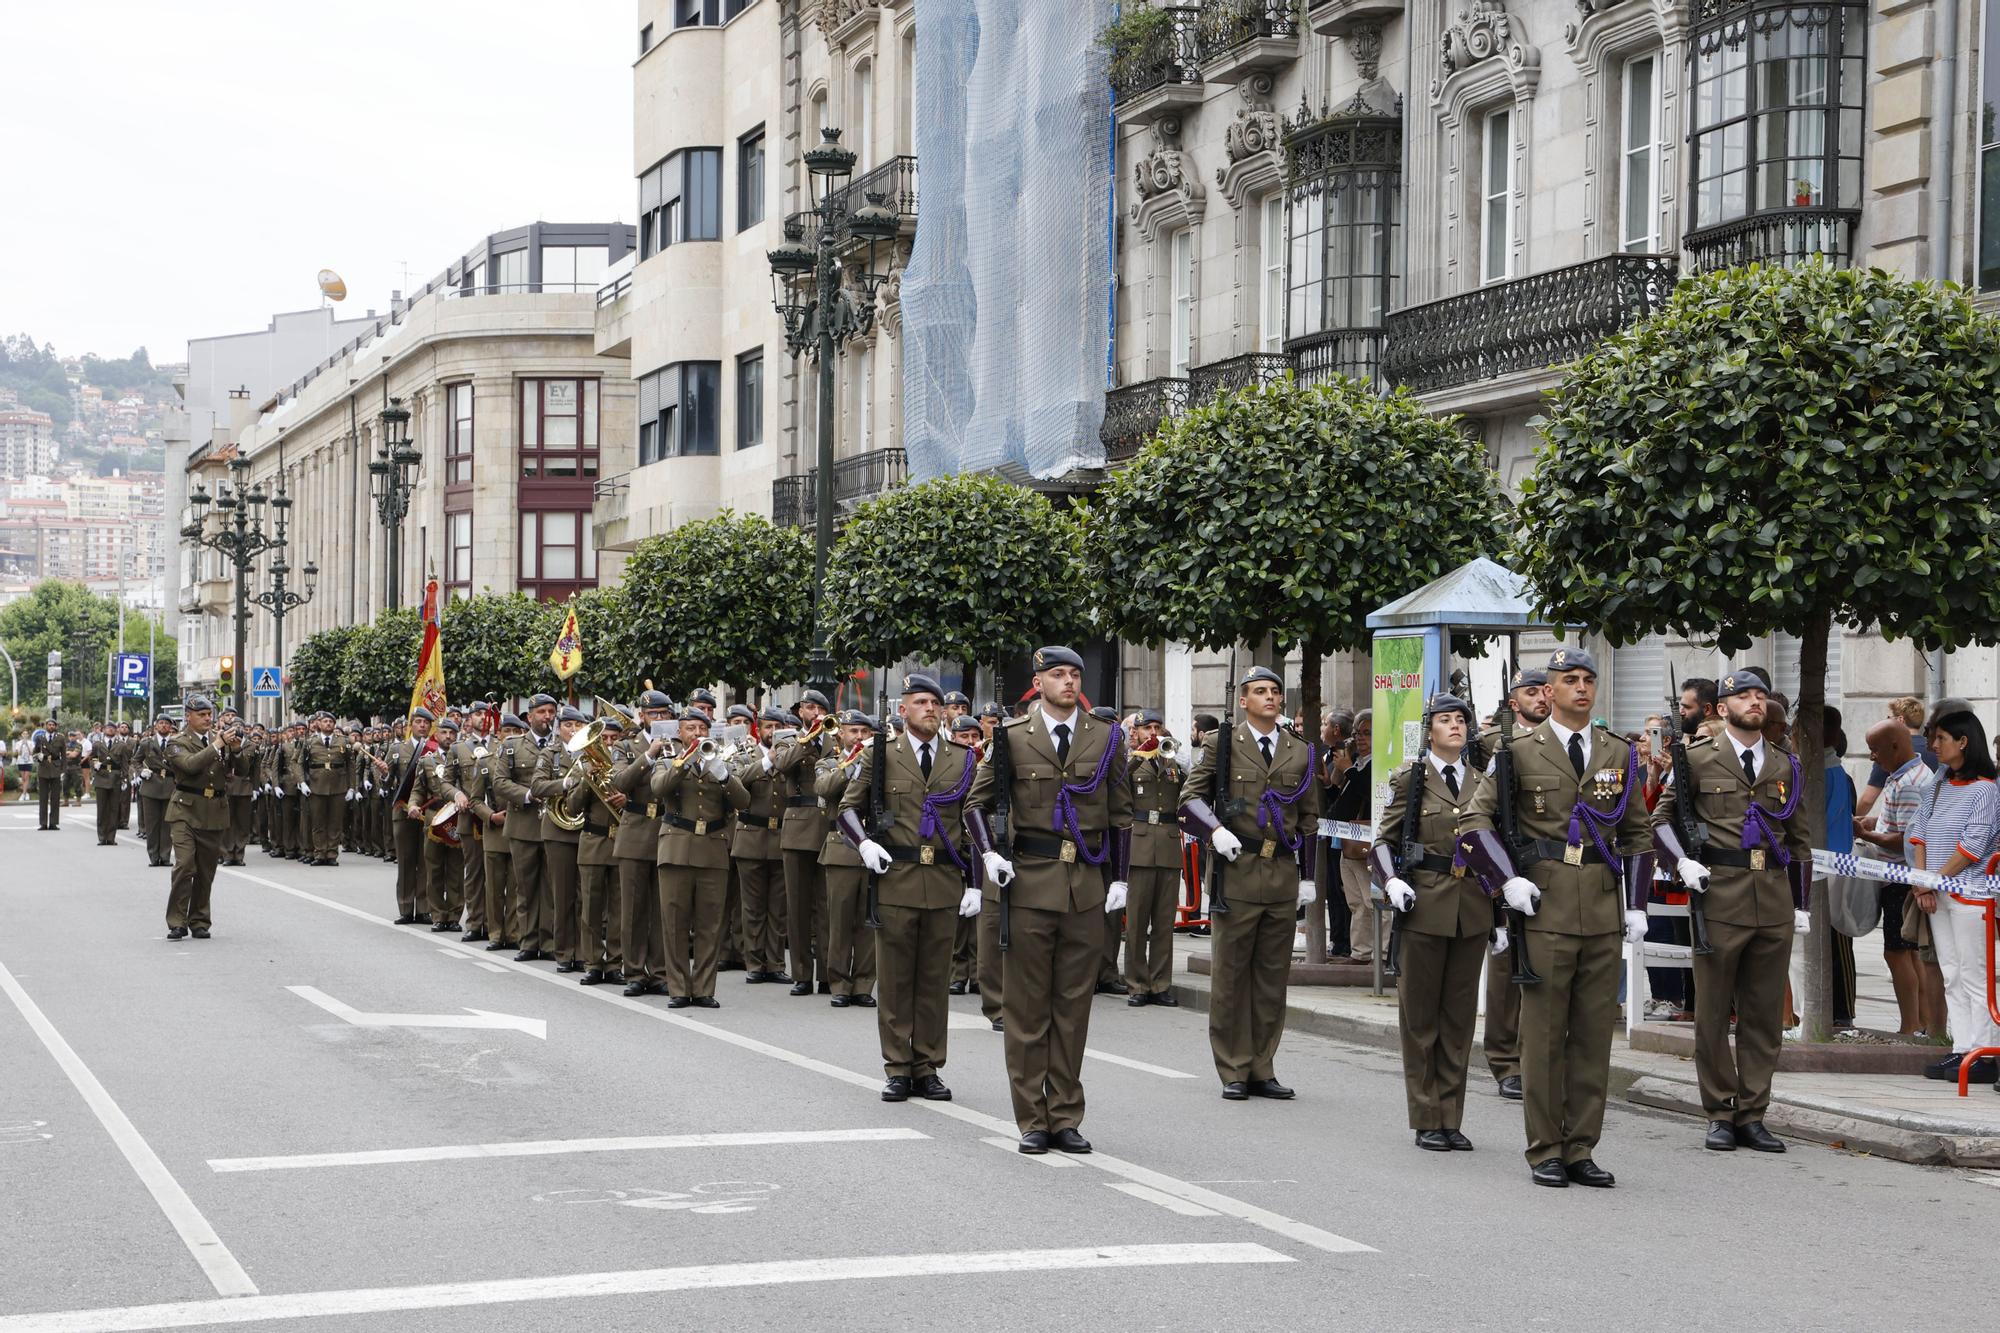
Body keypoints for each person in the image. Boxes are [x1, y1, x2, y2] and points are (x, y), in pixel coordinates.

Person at [1459, 647, 1653, 1188]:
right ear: (1549, 692)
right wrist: (1506, 881)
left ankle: (1580, 1146)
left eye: (1589, 679)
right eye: (1570, 680)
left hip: (1600, 903)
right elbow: (1475, 820)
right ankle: (1545, 1147)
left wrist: (1635, 904)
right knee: (1543, 1035)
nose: (1582, 688)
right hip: (1542, 904)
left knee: (1594, 1035)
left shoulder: (1617, 752)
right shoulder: (1517, 750)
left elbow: (1636, 832)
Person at [967, 646, 1133, 1154]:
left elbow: (1121, 814)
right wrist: (991, 856)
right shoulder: (1012, 737)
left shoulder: (1106, 737)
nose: (1067, 681)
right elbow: (978, 803)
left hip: (1083, 887)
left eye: (1074, 674)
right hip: (1030, 884)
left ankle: (1065, 1114)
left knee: (1073, 1008)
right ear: (1037, 683)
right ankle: (1031, 1118)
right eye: (1057, 674)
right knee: (1027, 1009)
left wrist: (1119, 880)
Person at [1652, 669, 1811, 1153]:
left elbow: (1800, 840)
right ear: (1722, 708)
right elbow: (1661, 820)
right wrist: (1682, 863)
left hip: (1773, 898)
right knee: (1714, 1013)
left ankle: (1753, 1112)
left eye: (1761, 695)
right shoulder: (1697, 758)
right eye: (1744, 695)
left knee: (1763, 1016)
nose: (1755, 701)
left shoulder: (1786, 764)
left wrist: (1801, 902)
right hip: (1719, 895)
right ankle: (1719, 1110)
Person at [842, 673, 981, 1102]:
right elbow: (848, 808)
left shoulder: (962, 759)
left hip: (942, 881)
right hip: (897, 881)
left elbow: (973, 823)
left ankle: (928, 1066)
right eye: (920, 703)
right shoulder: (881, 754)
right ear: (903, 710)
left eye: (934, 704)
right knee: (897, 979)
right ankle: (898, 1066)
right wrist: (864, 844)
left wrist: (974, 882)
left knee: (934, 980)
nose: (930, 709)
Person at [1181, 666, 1318, 1099]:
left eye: (1275, 691)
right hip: (1235, 870)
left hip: (1280, 873)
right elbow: (1190, 797)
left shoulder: (1300, 750)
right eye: (1260, 691)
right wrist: (1214, 831)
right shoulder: (1224, 743)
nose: (1270, 698)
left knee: (1271, 978)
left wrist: (1309, 877)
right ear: (1243, 701)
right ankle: (1234, 1068)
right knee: (1231, 977)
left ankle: (1263, 1065)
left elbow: (1310, 819)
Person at [1372, 694, 1497, 1152]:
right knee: (1421, 1018)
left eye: (1461, 720)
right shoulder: (1411, 779)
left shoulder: (1484, 782)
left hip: (1472, 909)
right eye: (1445, 720)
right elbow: (1382, 841)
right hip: (1423, 905)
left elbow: (1494, 850)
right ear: (1430, 731)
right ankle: (1427, 1116)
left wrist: (1498, 914)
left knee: (1458, 1020)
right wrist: (1391, 882)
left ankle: (1451, 1115)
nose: (1455, 727)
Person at [1911, 710, 2000, 1085]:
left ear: (1963, 742)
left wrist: (1931, 881)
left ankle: (1986, 1051)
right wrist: (1921, 881)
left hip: (1971, 895)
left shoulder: (1986, 790)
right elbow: (1919, 831)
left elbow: (1972, 847)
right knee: (1951, 973)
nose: (1934, 745)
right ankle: (1963, 1047)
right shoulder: (1938, 783)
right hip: (1938, 893)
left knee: (1976, 974)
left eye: (1941, 738)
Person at [1475, 665, 1550, 1100]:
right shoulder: (1487, 745)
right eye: (1531, 691)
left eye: (1544, 690)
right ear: (1513, 701)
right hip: (1502, 864)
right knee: (1505, 964)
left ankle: (1538, 1054)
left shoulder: (1557, 742)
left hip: (1545, 863)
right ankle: (1506, 1061)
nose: (1540, 697)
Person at [652, 705, 751, 1007]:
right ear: (679, 733)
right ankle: (679, 988)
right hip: (677, 847)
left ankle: (705, 988)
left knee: (710, 924)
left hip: (713, 848)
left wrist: (723, 775)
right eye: (690, 729)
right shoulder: (667, 759)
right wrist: (682, 762)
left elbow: (743, 801)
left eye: (702, 729)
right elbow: (659, 788)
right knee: (675, 922)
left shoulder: (721, 760)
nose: (697, 734)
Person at [1853, 718, 1940, 1036]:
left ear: (1895, 746)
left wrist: (1866, 833)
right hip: (1899, 876)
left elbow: (1904, 838)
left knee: (1896, 952)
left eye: (1875, 750)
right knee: (1910, 952)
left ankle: (1910, 1024)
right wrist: (1873, 821)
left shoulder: (1910, 782)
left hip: (1901, 878)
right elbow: (1896, 821)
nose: (1872, 757)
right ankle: (1922, 1021)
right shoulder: (1902, 776)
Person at [816, 710, 880, 1008]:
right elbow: (825, 788)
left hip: (874, 846)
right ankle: (839, 982)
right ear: (840, 733)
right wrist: (853, 760)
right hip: (841, 847)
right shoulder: (828, 762)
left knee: (868, 922)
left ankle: (864, 984)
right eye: (853, 731)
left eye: (864, 733)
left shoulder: (880, 762)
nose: (859, 737)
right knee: (839, 920)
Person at [772, 690, 834, 997]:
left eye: (818, 708)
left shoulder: (836, 737)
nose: (814, 713)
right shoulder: (788, 739)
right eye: (808, 708)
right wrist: (807, 739)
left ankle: (826, 973)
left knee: (826, 907)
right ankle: (800, 973)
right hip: (797, 828)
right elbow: (782, 766)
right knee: (797, 906)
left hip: (827, 828)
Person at [1123, 709, 1185, 1006]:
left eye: (1157, 726)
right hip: (1140, 846)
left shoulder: (1171, 762)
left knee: (1164, 922)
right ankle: (1136, 984)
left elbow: (1189, 792)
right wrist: (1140, 754)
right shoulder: (1130, 760)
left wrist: (1173, 756)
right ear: (1136, 731)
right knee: (1136, 922)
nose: (1153, 732)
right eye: (1147, 727)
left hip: (1169, 845)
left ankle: (1160, 983)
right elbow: (1116, 785)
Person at [163, 697, 238, 940]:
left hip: (214, 810)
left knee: (207, 870)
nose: (208, 718)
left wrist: (237, 750)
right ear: (188, 716)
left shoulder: (220, 740)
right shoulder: (177, 742)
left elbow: (244, 770)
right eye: (202, 714)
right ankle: (177, 921)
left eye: (209, 714)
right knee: (185, 865)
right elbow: (190, 765)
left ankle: (199, 920)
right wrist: (217, 745)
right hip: (185, 809)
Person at [614, 693, 674, 993]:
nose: (660, 719)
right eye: (654, 714)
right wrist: (649, 755)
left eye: (665, 714)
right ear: (643, 715)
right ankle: (635, 972)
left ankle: (661, 972)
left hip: (667, 831)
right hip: (635, 831)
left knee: (662, 909)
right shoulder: (626, 745)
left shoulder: (678, 745)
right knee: (634, 908)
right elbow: (621, 782)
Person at [491, 694, 559, 959]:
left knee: (551, 887)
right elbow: (500, 782)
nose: (548, 717)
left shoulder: (560, 746)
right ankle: (528, 941)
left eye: (552, 711)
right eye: (542, 712)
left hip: (554, 824)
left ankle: (550, 942)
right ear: (529, 717)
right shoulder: (512, 746)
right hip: (523, 825)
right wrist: (529, 795)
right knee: (526, 886)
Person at [730, 707, 792, 985]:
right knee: (753, 907)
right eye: (768, 727)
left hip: (781, 838)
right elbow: (736, 780)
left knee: (778, 908)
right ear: (760, 729)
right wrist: (768, 760)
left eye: (777, 728)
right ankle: (754, 963)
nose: (772, 733)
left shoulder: (792, 757)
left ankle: (776, 963)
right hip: (751, 837)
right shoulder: (746, 754)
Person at [532, 706, 588, 968]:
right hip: (558, 831)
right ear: (560, 729)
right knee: (563, 894)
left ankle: (584, 952)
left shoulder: (591, 754)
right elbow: (537, 786)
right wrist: (565, 783)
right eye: (568, 726)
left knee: (585, 895)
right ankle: (564, 953)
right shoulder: (549, 754)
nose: (573, 730)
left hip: (586, 829)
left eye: (578, 726)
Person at [1328, 709, 1375, 964]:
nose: (1360, 738)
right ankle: (1361, 952)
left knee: (1371, 900)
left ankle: (1380, 952)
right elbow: (1337, 789)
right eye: (1357, 733)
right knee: (1355, 902)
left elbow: (1368, 791)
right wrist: (1341, 767)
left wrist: (1348, 770)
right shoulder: (1356, 761)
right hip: (1346, 839)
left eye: (1367, 733)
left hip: (1364, 841)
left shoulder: (1377, 764)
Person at [1856, 696, 1937, 818]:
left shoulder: (1889, 752)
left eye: (1889, 719)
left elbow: (1868, 799)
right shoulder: (1936, 749)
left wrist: (1851, 823)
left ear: (1900, 720)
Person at [133, 714, 176, 866]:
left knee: (167, 824)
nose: (164, 726)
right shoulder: (147, 743)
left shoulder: (176, 743)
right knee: (152, 824)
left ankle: (165, 856)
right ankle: (153, 856)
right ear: (156, 726)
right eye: (161, 723)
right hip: (151, 785)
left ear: (170, 727)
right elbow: (135, 760)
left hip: (170, 785)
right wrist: (141, 771)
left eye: (167, 724)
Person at [90, 717, 131, 845]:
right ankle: (102, 837)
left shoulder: (122, 745)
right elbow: (92, 758)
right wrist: (94, 767)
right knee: (102, 809)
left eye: (113, 728)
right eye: (108, 728)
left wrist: (125, 779)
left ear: (116, 730)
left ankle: (111, 837)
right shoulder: (97, 744)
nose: (110, 730)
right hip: (101, 776)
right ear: (104, 730)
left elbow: (125, 764)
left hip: (115, 777)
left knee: (114, 809)